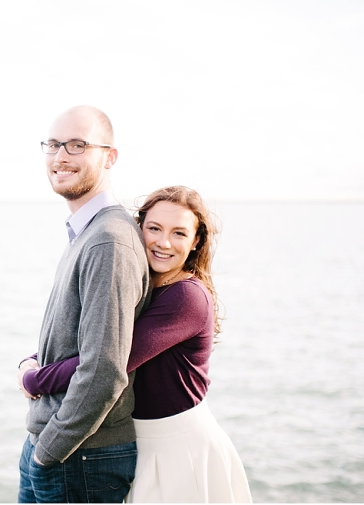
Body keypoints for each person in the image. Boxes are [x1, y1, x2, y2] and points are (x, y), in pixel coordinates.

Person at [19, 186, 253, 503]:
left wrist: (36, 378)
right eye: (154, 228)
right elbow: (96, 338)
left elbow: (111, 358)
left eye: (179, 233)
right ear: (138, 227)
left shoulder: (186, 297)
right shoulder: (142, 284)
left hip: (178, 446)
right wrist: (34, 359)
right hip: (142, 440)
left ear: (196, 241)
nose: (164, 242)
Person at [17, 106, 151, 503]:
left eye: (78, 145)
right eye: (54, 145)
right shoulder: (87, 231)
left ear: (109, 156)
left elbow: (105, 368)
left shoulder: (108, 240)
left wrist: (51, 450)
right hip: (61, 449)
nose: (61, 156)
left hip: (80, 455)